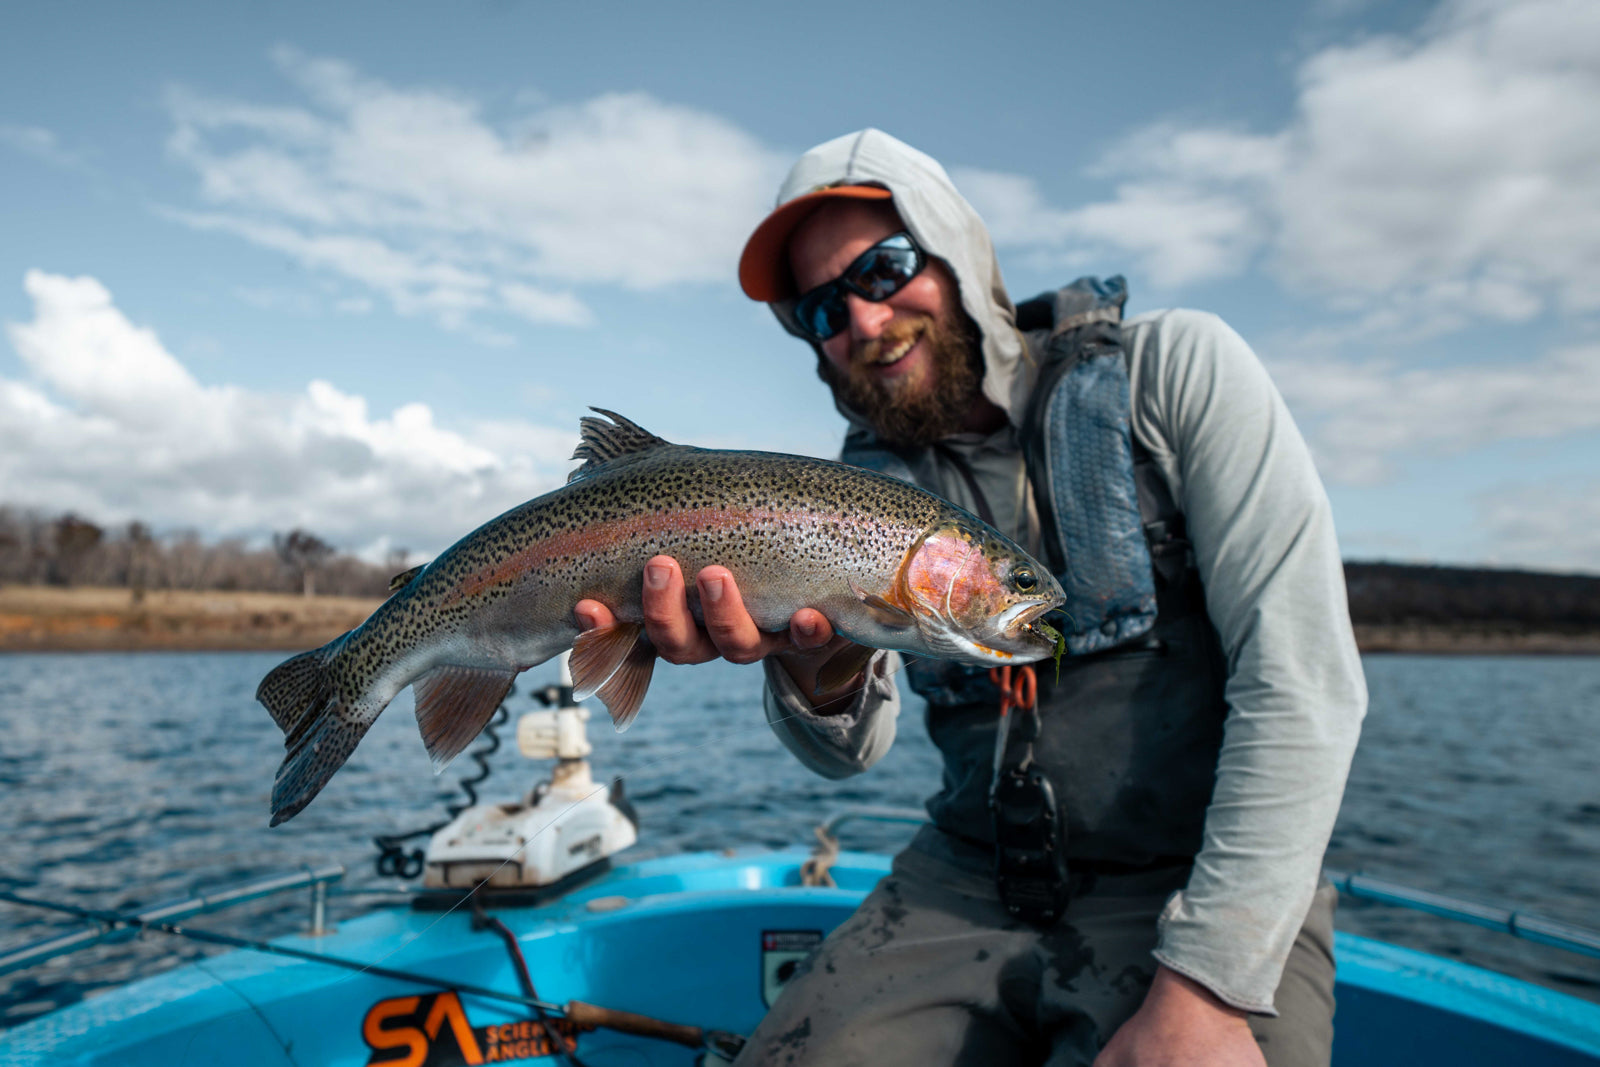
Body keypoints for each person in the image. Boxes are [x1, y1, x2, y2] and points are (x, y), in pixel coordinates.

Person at [575, 129, 1366, 1067]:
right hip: (962, 875)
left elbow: (1305, 687)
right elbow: (850, 755)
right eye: (823, 307)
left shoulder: (1178, 370)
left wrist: (1208, 983)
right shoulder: (839, 496)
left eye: (886, 267)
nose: (864, 320)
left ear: (955, 249)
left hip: (1201, 882)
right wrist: (818, 674)